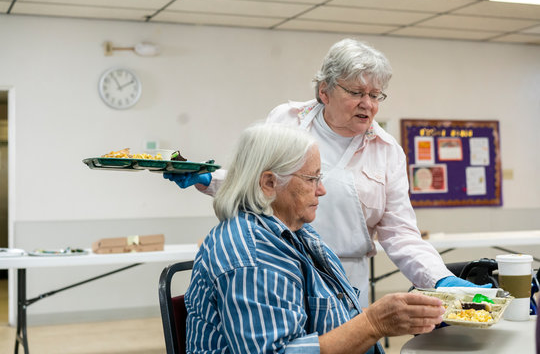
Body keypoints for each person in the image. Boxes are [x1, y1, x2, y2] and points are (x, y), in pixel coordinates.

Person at [166, 38, 489, 307]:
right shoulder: (288, 120)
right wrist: (210, 179)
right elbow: (256, 179)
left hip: (347, 279)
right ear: (325, 91)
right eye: (356, 93)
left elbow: (400, 233)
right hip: (280, 268)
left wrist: (440, 278)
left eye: (375, 95)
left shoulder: (386, 150)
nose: (368, 104)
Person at [185, 123, 445, 354]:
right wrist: (373, 323)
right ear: (269, 183)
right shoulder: (252, 256)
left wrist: (398, 316)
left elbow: (330, 318)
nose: (321, 190)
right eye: (311, 178)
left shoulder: (296, 232)